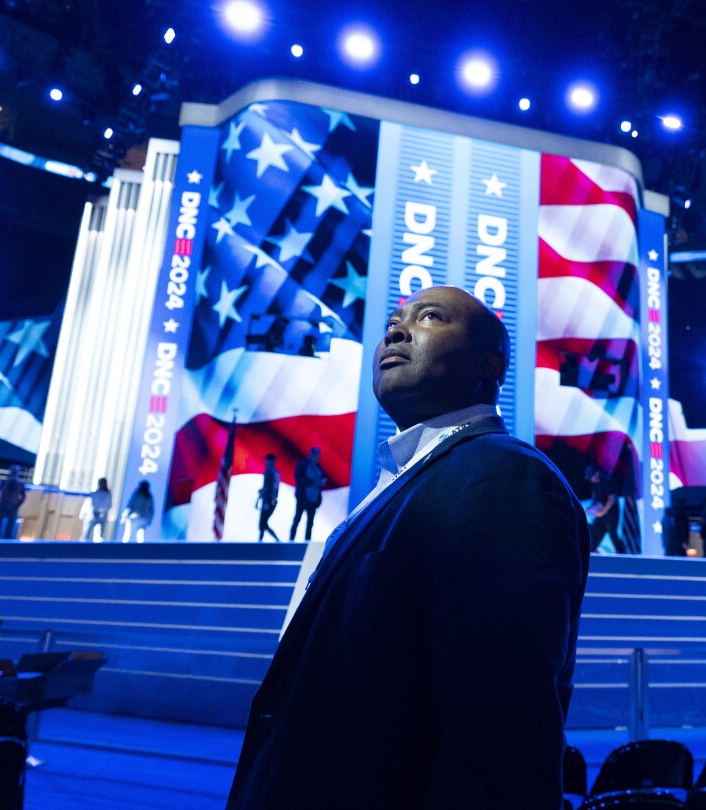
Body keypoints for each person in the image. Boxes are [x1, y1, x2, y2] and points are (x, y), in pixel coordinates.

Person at [228, 286, 589, 810]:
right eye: (393, 322)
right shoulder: (402, 485)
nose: (395, 331)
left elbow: (500, 733)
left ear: (491, 363)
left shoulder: (504, 477)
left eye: (430, 317)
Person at [289, 447, 325, 541]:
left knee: (310, 523)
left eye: (317, 455)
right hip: (303, 497)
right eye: (313, 454)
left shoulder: (319, 468)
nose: (315, 456)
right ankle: (291, 541)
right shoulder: (303, 465)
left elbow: (321, 483)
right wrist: (312, 482)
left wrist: (321, 483)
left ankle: (307, 543)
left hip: (313, 499)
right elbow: (298, 478)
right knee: (297, 519)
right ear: (310, 454)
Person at [587, 466, 624, 553]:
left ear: (596, 474)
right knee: (594, 534)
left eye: (591, 477)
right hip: (600, 514)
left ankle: (623, 555)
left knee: (613, 534)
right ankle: (591, 553)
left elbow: (612, 499)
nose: (591, 480)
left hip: (611, 514)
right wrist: (592, 507)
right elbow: (595, 496)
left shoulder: (607, 482)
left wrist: (602, 512)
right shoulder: (594, 484)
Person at [0, 465, 26, 539]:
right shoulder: (4, 482)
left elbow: (23, 497)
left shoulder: (20, 484)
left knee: (9, 530)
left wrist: (17, 505)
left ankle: (6, 544)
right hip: (2, 507)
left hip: (12, 508)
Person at [256, 454, 280, 542]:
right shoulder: (275, 472)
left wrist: (259, 498)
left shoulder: (269, 472)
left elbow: (267, 487)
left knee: (262, 523)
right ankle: (261, 540)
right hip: (272, 500)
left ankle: (262, 541)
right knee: (263, 523)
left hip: (268, 501)